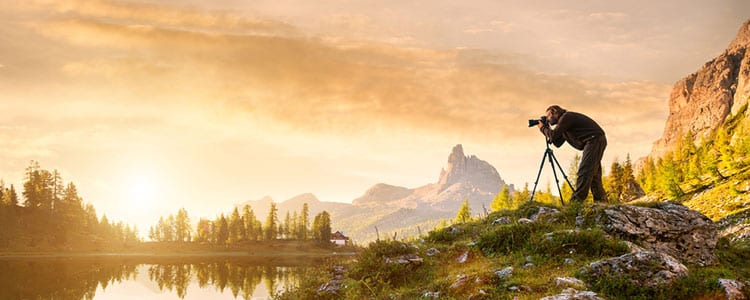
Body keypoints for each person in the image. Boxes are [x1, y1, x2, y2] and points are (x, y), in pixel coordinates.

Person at [537, 105, 607, 202]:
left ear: (554, 112)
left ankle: (576, 202)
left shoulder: (567, 117)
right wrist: (546, 128)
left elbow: (553, 136)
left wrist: (543, 128)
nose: (547, 119)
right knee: (594, 174)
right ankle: (601, 201)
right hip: (594, 141)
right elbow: (557, 143)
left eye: (548, 116)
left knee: (585, 171)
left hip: (594, 140)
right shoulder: (564, 124)